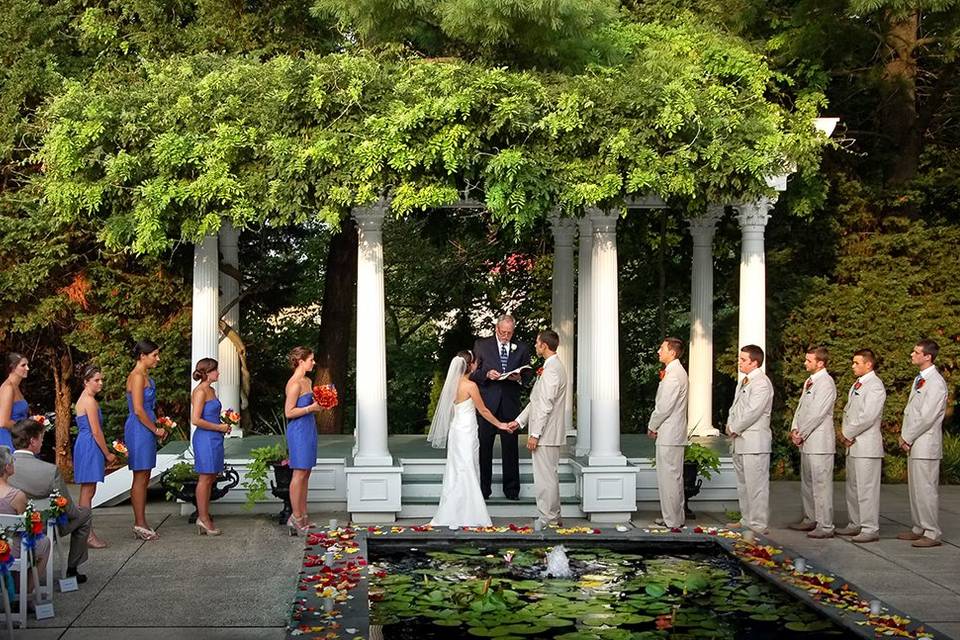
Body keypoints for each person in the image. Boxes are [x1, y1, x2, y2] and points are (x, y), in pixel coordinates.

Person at [427, 350, 513, 528]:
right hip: (467, 431)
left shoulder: (451, 385)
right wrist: (501, 425)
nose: (476, 365)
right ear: (470, 365)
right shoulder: (470, 386)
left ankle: (453, 512)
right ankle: (470, 513)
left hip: (457, 429)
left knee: (456, 469)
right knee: (468, 468)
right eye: (475, 363)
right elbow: (484, 411)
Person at [9, 418, 91, 583]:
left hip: (9, 527)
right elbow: (66, 506)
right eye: (41, 439)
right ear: (32, 441)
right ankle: (72, 568)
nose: (41, 443)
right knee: (85, 514)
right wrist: (77, 513)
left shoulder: (5, 467)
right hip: (42, 527)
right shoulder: (49, 470)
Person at [470, 315, 532, 501]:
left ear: (513, 331)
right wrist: (487, 374)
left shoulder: (521, 348)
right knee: (485, 446)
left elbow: (528, 376)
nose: (505, 336)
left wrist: (519, 378)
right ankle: (483, 490)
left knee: (510, 447)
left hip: (510, 403)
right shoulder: (482, 345)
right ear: (496, 329)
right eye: (502, 332)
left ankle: (512, 491)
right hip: (487, 403)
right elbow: (473, 373)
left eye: (509, 333)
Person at [511, 330, 568, 527]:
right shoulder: (550, 367)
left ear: (544, 345)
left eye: (537, 343)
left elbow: (546, 404)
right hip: (547, 432)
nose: (535, 346)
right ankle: (553, 516)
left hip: (547, 433)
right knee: (548, 476)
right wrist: (519, 422)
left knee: (546, 478)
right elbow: (536, 401)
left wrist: (535, 434)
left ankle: (549, 518)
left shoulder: (552, 369)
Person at [897, 339, 947, 548]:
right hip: (916, 441)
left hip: (925, 443)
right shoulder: (920, 379)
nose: (912, 354)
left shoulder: (935, 382)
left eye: (916, 352)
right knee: (916, 488)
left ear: (928, 356)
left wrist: (907, 436)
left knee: (926, 488)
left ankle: (932, 531)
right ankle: (919, 526)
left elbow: (927, 417)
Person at [787, 347, 838, 539]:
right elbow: (801, 408)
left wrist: (802, 432)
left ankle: (825, 525)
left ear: (820, 363)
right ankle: (810, 518)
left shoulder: (826, 383)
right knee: (808, 483)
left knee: (821, 484)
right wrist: (794, 428)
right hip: (806, 441)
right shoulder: (810, 381)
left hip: (819, 441)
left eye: (809, 361)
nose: (805, 363)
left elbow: (818, 413)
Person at [837, 349, 886, 543]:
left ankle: (870, 527)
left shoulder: (875, 385)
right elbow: (850, 412)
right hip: (854, 444)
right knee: (853, 487)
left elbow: (868, 416)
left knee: (867, 488)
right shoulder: (857, 384)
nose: (853, 366)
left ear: (869, 364)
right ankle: (855, 522)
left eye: (857, 363)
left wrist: (848, 433)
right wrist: (846, 434)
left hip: (866, 444)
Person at [725, 345, 774, 534]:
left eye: (743, 359)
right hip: (740, 441)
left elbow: (753, 411)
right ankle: (746, 519)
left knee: (757, 485)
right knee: (744, 484)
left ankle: (759, 523)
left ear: (755, 362)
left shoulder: (761, 383)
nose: (740, 362)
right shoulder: (744, 381)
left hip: (754, 441)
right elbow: (736, 408)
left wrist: (735, 427)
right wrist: (730, 424)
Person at [125, 339, 166, 541]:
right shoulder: (136, 377)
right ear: (142, 356)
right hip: (139, 428)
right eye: (154, 355)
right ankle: (139, 523)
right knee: (140, 476)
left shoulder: (144, 375)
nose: (157, 359)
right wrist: (155, 429)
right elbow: (139, 409)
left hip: (146, 426)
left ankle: (141, 522)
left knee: (145, 475)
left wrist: (158, 425)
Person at [647, 337, 689, 529]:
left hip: (670, 433)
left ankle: (672, 520)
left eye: (662, 348)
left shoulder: (673, 375)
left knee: (669, 478)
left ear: (672, 352)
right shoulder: (675, 372)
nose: (658, 351)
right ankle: (674, 517)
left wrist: (652, 425)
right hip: (673, 432)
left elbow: (664, 407)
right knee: (673, 477)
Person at [73, 364, 116, 548]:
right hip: (90, 444)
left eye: (101, 379)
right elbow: (96, 431)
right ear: (86, 382)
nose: (101, 383)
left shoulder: (87, 399)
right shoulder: (89, 401)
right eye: (96, 380)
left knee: (88, 490)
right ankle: (87, 534)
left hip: (87, 443)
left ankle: (85, 532)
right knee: (88, 491)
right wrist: (107, 453)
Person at [0, 445, 51, 595]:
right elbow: (25, 528)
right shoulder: (16, 496)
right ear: (8, 467)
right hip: (9, 548)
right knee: (44, 543)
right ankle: (25, 592)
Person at [284, 346, 323, 535]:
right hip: (298, 430)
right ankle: (296, 516)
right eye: (311, 360)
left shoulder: (307, 380)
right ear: (301, 362)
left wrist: (321, 404)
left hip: (309, 427)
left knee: (306, 472)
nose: (313, 363)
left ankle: (304, 514)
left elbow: (312, 405)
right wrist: (310, 409)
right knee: (298, 473)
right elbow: (288, 412)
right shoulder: (295, 384)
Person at [190, 358, 230, 536]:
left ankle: (205, 515)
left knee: (211, 477)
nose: (218, 373)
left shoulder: (211, 390)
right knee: (205, 478)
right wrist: (218, 427)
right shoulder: (200, 391)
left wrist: (224, 424)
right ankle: (203, 518)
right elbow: (196, 419)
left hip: (215, 437)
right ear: (206, 372)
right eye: (215, 370)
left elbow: (211, 415)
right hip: (205, 438)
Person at [0, 353, 31, 451]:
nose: (27, 368)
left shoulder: (16, 387)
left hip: (19, 438)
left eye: (27, 365)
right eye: (23, 365)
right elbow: (3, 422)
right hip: (8, 440)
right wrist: (27, 427)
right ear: (12, 368)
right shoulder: (8, 388)